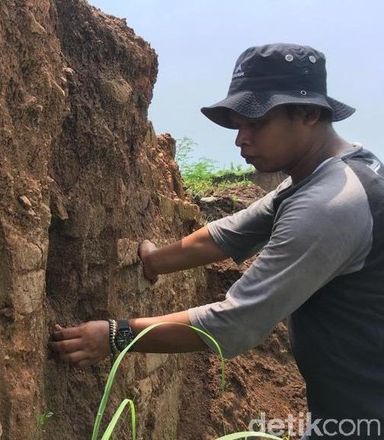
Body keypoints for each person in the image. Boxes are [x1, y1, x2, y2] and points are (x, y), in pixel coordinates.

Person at [48, 43, 384, 440]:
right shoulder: (327, 175)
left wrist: (116, 336)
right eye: (238, 124)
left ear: (309, 113)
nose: (240, 139)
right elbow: (230, 233)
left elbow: (237, 323)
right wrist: (155, 260)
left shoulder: (330, 205)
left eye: (255, 123)